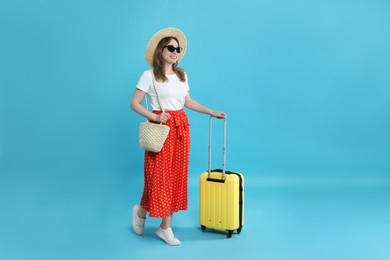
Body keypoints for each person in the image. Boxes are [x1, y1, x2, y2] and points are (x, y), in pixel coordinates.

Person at [130, 27, 226, 246]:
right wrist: (153, 117)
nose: (175, 52)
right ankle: (141, 212)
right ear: (160, 51)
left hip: (181, 128)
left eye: (178, 49)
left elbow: (187, 102)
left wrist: (211, 111)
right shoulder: (149, 75)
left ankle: (165, 228)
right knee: (158, 179)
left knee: (175, 178)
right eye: (170, 48)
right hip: (162, 130)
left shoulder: (182, 75)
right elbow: (134, 103)